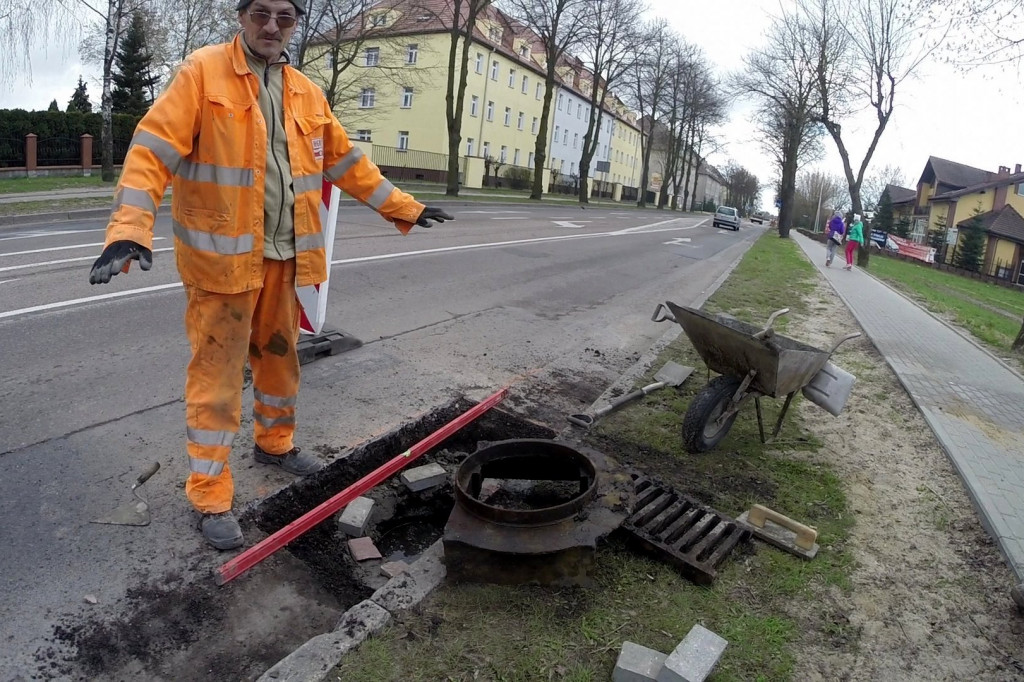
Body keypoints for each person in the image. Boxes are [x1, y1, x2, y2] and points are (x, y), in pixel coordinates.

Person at [87, 0, 454, 550]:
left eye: (285, 16)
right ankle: (209, 492)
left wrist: (403, 206)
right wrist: (129, 229)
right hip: (222, 266)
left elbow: (347, 161)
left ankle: (275, 445)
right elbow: (150, 153)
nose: (271, 26)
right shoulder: (202, 73)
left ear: (295, 23)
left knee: (280, 362)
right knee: (216, 379)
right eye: (261, 13)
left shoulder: (305, 91)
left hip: (285, 257)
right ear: (241, 16)